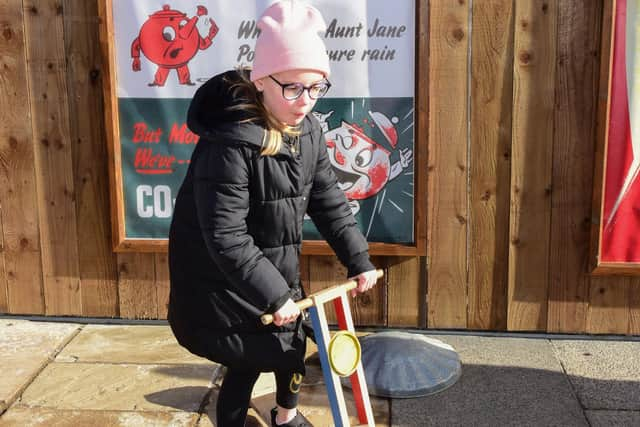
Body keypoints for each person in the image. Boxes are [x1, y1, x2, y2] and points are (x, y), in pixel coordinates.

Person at [167, 1, 379, 426]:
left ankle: (285, 416)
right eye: (294, 88)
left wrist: (358, 259)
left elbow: (328, 200)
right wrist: (274, 294)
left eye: (317, 88)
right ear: (262, 80)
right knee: (245, 356)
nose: (306, 101)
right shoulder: (230, 142)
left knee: (289, 345)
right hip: (220, 274)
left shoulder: (310, 131)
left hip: (270, 263)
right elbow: (225, 235)